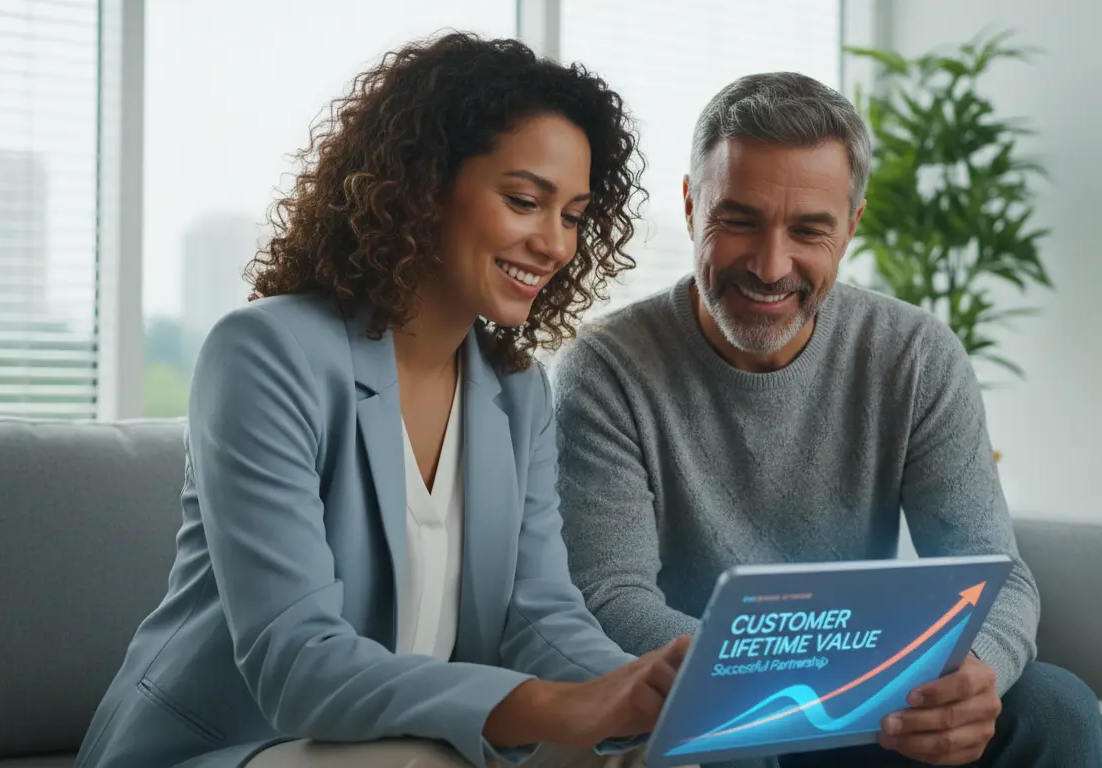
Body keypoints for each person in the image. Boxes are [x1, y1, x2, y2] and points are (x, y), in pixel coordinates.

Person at [74, 33, 691, 768]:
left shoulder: (518, 393)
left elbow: (539, 617)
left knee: (657, 750)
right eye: (525, 201)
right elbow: (296, 661)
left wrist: (637, 694)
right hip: (233, 747)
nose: (555, 245)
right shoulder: (265, 354)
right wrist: (551, 707)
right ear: (423, 185)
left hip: (405, 746)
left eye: (574, 216)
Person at [551, 72, 1102, 768]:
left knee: (1056, 711)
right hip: (705, 698)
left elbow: (995, 571)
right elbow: (610, 596)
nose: (770, 264)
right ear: (693, 206)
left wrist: (980, 675)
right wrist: (785, 681)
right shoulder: (606, 369)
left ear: (851, 227)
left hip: (877, 698)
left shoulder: (914, 354)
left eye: (808, 230)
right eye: (740, 220)